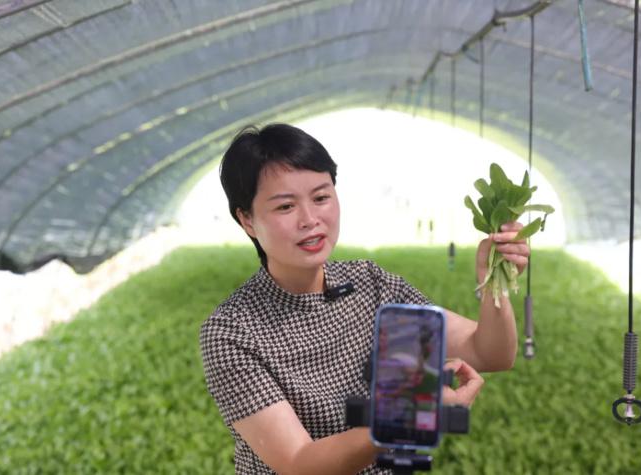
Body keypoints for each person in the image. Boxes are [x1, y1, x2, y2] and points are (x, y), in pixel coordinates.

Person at [199, 123, 530, 474]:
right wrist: (411, 414)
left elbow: (490, 353)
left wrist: (493, 281)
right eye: (285, 207)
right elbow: (300, 463)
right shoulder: (233, 332)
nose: (310, 220)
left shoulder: (369, 286)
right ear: (247, 220)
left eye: (321, 197)